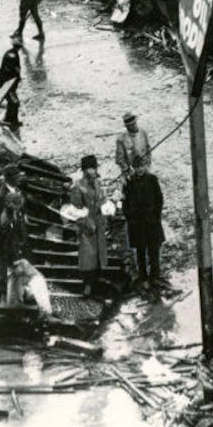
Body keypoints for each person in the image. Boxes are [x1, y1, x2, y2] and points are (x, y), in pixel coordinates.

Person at [122, 153, 165, 286]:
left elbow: (159, 198)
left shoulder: (152, 180)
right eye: (137, 167)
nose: (139, 169)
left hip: (151, 221)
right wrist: (130, 217)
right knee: (140, 251)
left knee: (154, 250)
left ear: (145, 166)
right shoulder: (129, 183)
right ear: (134, 168)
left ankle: (155, 276)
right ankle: (143, 276)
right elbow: (125, 203)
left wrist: (156, 215)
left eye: (141, 166)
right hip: (137, 223)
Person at [69, 155, 108, 297]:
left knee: (99, 255)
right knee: (87, 257)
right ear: (85, 170)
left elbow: (103, 201)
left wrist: (105, 212)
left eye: (95, 168)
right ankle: (87, 285)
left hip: (99, 224)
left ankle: (98, 282)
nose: (94, 171)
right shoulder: (78, 187)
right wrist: (86, 222)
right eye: (91, 168)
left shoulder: (98, 184)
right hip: (86, 228)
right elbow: (74, 210)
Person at [0, 188, 29, 304]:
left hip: (15, 250)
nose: (18, 207)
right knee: (10, 277)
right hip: (8, 253)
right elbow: (5, 241)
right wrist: (14, 255)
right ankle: (8, 300)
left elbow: (21, 233)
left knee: (16, 277)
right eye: (17, 205)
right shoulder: (5, 219)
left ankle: (16, 299)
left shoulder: (16, 215)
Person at [0, 35, 23, 128]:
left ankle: (9, 118)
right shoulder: (12, 55)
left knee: (12, 101)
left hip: (8, 82)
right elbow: (12, 69)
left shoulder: (12, 53)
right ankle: (12, 121)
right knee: (15, 102)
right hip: (6, 82)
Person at [115, 112, 151, 180]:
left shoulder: (143, 133)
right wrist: (127, 169)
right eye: (130, 125)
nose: (133, 126)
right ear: (126, 126)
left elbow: (148, 149)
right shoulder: (121, 139)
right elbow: (119, 159)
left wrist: (148, 164)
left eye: (134, 123)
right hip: (131, 172)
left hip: (144, 168)